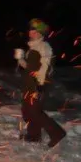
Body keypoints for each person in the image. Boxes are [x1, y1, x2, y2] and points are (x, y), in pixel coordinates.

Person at [17, 18, 66, 148]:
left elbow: (45, 67)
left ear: (40, 33)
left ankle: (57, 133)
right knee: (27, 110)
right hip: (29, 83)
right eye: (30, 29)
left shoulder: (44, 47)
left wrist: (40, 85)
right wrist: (20, 60)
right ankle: (34, 135)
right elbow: (31, 67)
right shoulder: (33, 47)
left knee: (34, 111)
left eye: (34, 30)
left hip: (37, 84)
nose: (31, 32)